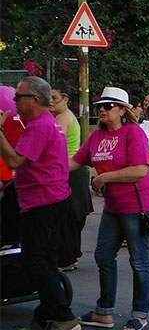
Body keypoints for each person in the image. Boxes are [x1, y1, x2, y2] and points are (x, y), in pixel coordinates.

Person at [0, 76, 81, 330]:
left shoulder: (40, 126)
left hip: (43, 202)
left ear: (34, 100)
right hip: (49, 199)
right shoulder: (43, 122)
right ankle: (46, 315)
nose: (14, 101)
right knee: (45, 259)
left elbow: (14, 160)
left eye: (18, 97)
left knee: (34, 260)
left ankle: (62, 316)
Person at [70, 86, 149, 330]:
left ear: (122, 110)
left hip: (136, 206)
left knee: (138, 261)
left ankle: (139, 314)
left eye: (108, 106)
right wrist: (43, 166)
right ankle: (104, 312)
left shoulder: (133, 132)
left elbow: (139, 170)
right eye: (100, 106)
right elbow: (74, 161)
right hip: (113, 206)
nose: (102, 110)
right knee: (103, 256)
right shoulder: (97, 136)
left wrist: (105, 178)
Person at [50, 87, 93, 271]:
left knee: (67, 218)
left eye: (54, 97)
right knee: (72, 218)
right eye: (48, 97)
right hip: (73, 170)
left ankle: (67, 258)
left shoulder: (62, 118)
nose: (50, 101)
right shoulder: (67, 116)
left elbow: (52, 144)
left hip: (68, 171)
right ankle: (70, 256)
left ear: (65, 99)